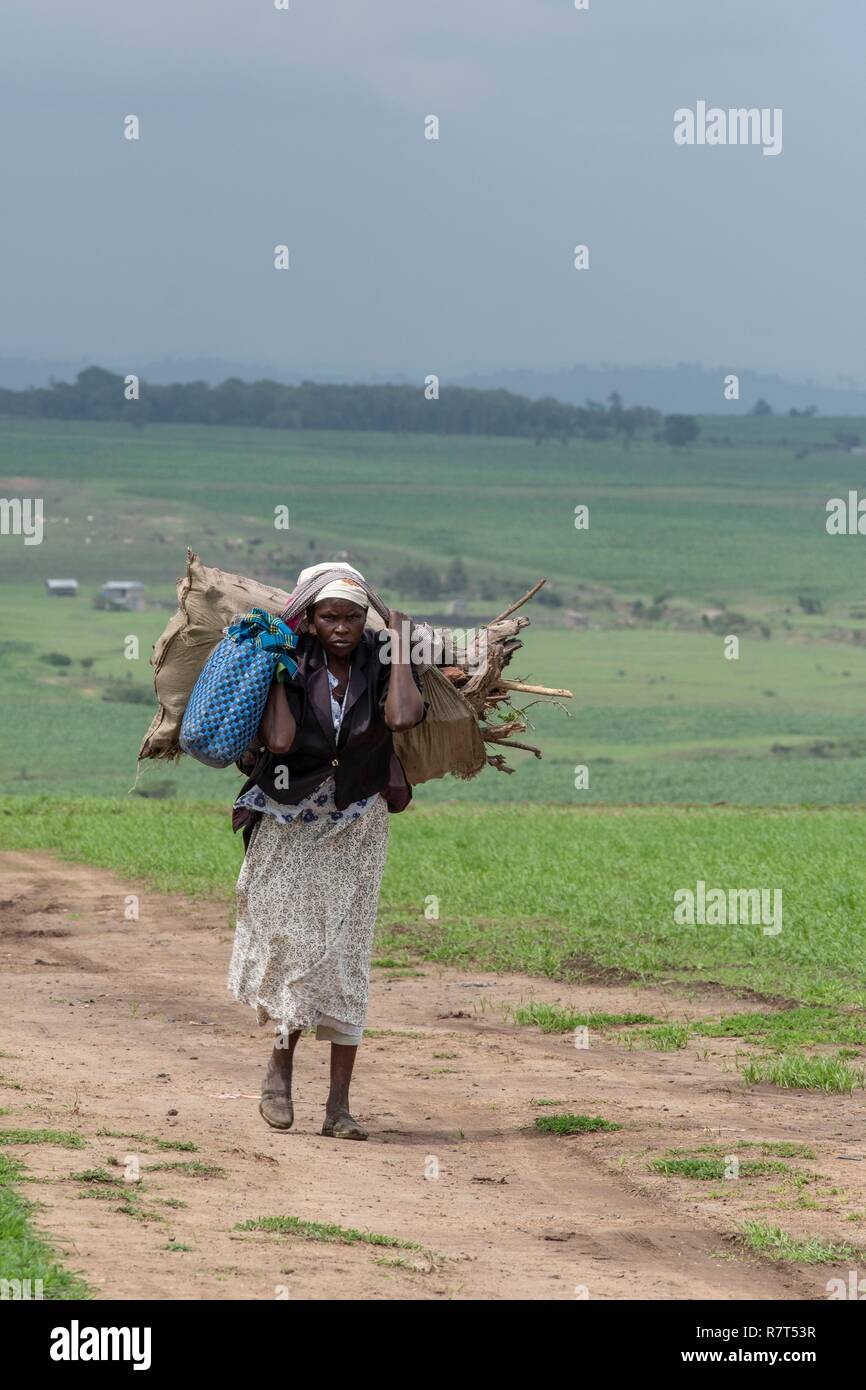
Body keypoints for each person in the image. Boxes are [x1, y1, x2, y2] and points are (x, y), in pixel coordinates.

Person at [227, 567, 426, 1140]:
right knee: (293, 942)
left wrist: (402, 639)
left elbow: (401, 717)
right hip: (289, 819)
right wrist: (278, 668)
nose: (341, 628)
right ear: (310, 619)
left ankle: (339, 1107)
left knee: (345, 953)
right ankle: (279, 1071)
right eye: (330, 616)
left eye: (352, 616)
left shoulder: (380, 660)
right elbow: (282, 742)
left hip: (357, 821)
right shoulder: (291, 661)